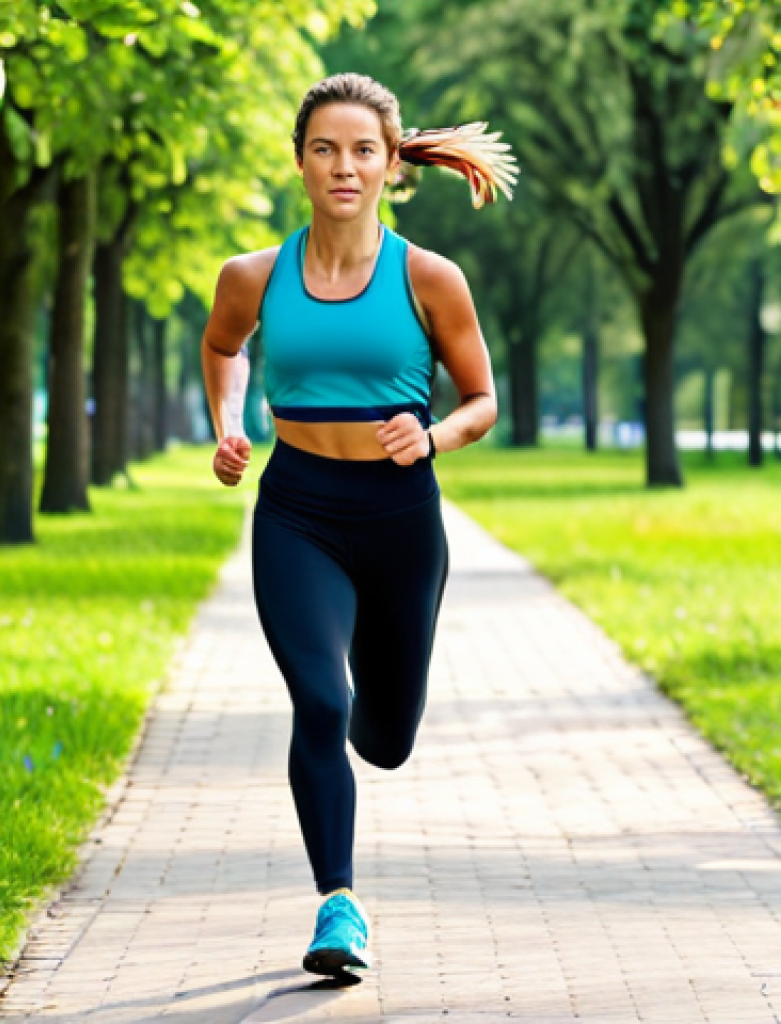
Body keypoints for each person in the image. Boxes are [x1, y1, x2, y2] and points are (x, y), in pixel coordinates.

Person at [200, 73, 515, 978]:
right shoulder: (253, 276)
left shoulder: (430, 279)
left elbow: (483, 400)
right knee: (321, 702)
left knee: (385, 737)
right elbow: (223, 346)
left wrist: (434, 434)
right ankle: (338, 906)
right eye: (325, 149)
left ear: (391, 166)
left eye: (363, 150)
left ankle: (369, 736)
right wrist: (228, 424)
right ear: (300, 163)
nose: (344, 166)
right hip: (297, 512)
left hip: (399, 518)